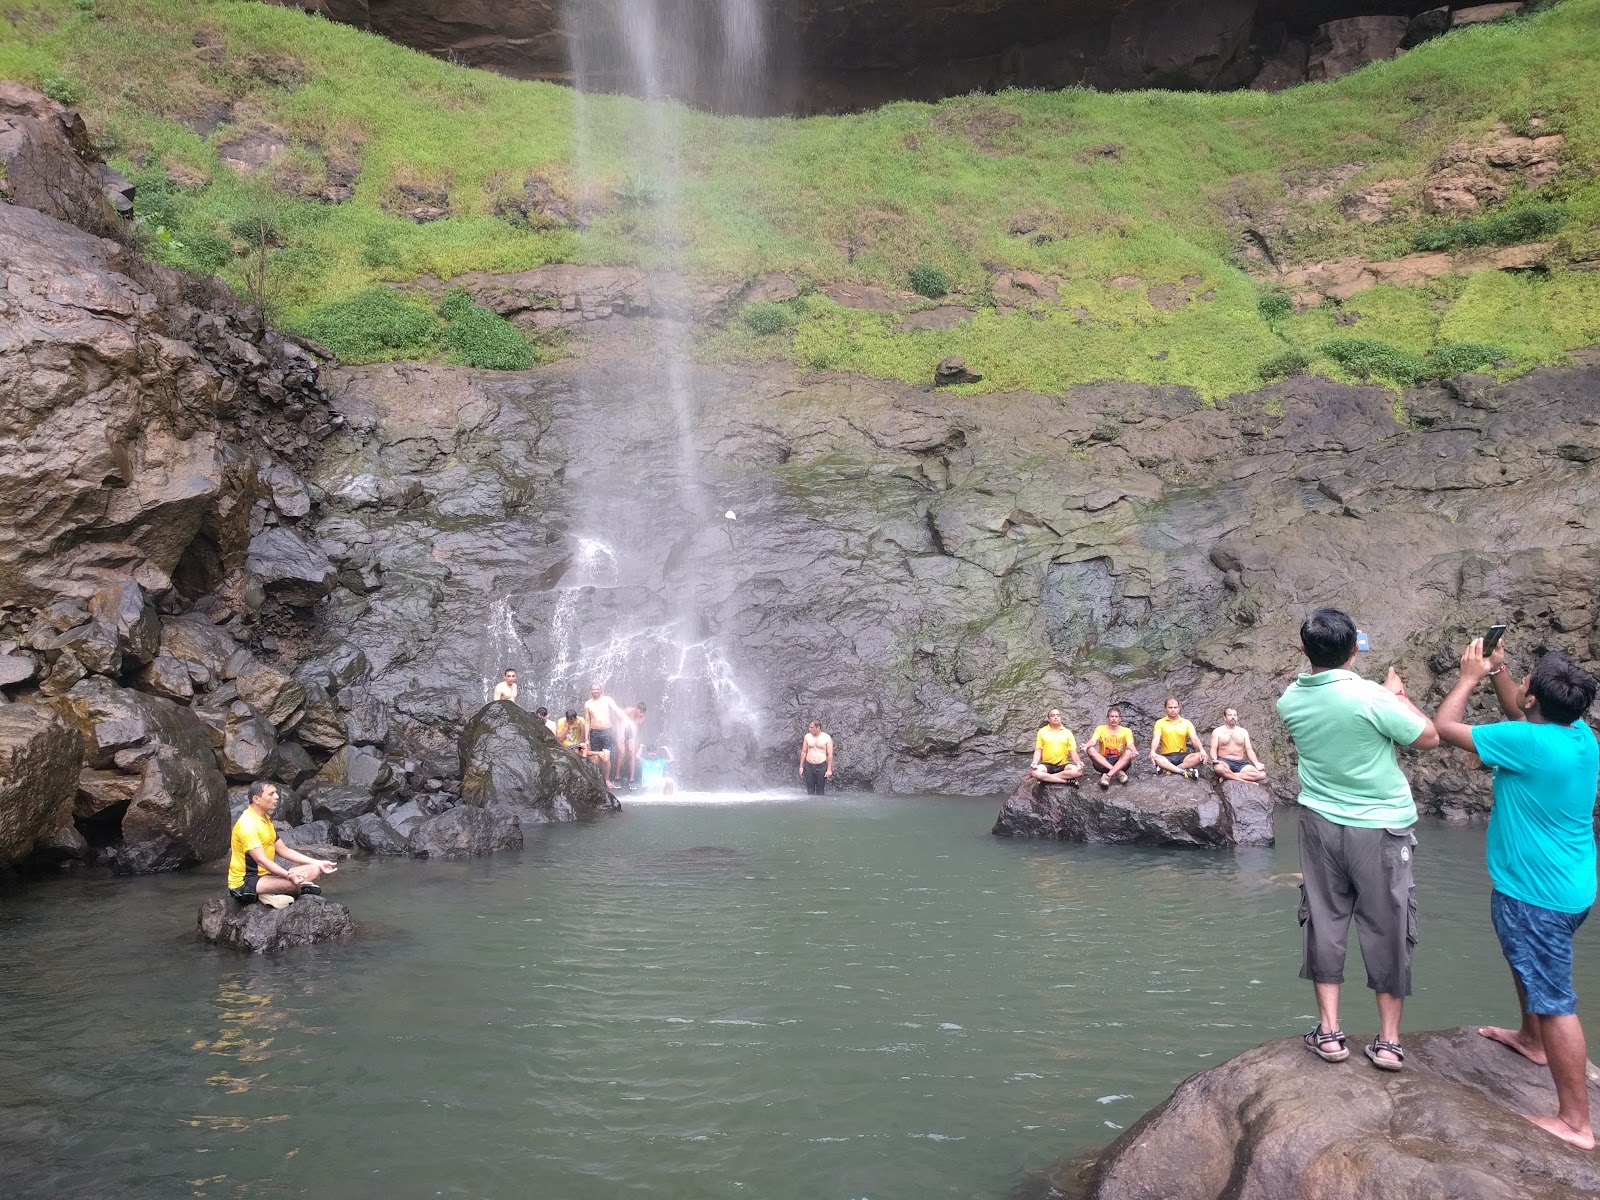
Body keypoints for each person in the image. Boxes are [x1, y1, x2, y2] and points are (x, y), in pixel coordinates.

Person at [1434, 636, 1600, 1149]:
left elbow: (1445, 727)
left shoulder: (1526, 742)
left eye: (1524, 682)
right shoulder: (1580, 735)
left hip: (1536, 895)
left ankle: (1576, 1123)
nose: (1520, 685)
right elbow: (1520, 712)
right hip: (1570, 885)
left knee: (1555, 1001)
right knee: (1527, 965)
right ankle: (1531, 1040)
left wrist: (1469, 677)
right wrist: (1500, 671)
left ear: (1534, 700)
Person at [1277, 607, 1439, 1071]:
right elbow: (1428, 737)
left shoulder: (1290, 700)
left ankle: (1329, 1033)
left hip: (1319, 825)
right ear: (1354, 649)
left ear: (1303, 649)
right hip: (1381, 829)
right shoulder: (1373, 696)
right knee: (1388, 924)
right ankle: (1388, 1042)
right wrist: (1399, 695)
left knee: (1324, 919)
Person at [228, 780, 337, 910]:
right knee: (293, 885)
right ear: (256, 799)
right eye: (271, 794)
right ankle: (278, 892)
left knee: (314, 869)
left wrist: (318, 862)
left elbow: (284, 850)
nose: (277, 797)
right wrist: (288, 875)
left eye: (276, 793)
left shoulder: (264, 820)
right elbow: (261, 860)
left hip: (266, 876)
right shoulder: (248, 825)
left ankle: (275, 891)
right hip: (245, 883)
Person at [1150, 697, 1208, 779]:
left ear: (1179, 708)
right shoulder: (1159, 723)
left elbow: (1194, 738)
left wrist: (1202, 750)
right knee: (1154, 757)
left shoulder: (1187, 723)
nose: (1173, 710)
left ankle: (1169, 769)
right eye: (1170, 707)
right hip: (1166, 756)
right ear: (1165, 708)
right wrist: (1153, 751)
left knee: (1200, 756)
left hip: (1182, 756)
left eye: (1175, 707)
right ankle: (1182, 771)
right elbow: (1156, 738)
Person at [585, 681, 630, 785]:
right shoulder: (588, 704)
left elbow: (617, 709)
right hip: (594, 733)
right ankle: (595, 780)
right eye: (594, 689)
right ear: (590, 691)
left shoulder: (607, 700)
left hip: (607, 733)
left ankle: (607, 779)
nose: (596, 691)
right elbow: (587, 721)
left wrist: (625, 718)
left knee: (606, 759)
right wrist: (586, 739)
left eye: (597, 689)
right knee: (596, 759)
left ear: (601, 690)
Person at [1211, 707, 1267, 783]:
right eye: (1230, 715)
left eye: (1235, 715)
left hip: (1240, 763)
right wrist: (1214, 759)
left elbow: (1249, 750)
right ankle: (1245, 781)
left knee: (1262, 774)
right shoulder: (1217, 731)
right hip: (1224, 761)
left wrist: (1256, 763)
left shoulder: (1243, 732)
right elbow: (1213, 749)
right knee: (1218, 768)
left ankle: (1228, 776)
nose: (1233, 717)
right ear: (1224, 718)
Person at [1086, 707, 1137, 787]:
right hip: (1103, 762)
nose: (1114, 719)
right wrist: (1086, 745)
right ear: (1107, 718)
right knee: (1090, 749)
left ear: (1120, 719)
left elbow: (1130, 744)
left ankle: (1107, 776)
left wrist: (1134, 751)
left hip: (1120, 762)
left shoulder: (1126, 731)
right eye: (1111, 716)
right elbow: (1093, 741)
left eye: (1116, 717)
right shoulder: (1100, 728)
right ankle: (1118, 772)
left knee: (1129, 752)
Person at [1030, 708, 1084, 784]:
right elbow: (1038, 750)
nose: (1056, 717)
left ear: (1061, 718)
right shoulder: (1042, 732)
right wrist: (1034, 762)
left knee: (1078, 771)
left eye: (1058, 715)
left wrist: (1078, 763)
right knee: (1035, 772)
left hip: (1063, 764)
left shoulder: (1068, 733)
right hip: (1046, 764)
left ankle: (1046, 778)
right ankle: (1066, 781)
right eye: (1053, 715)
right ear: (1048, 719)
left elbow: (1073, 752)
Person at [799, 720, 834, 795]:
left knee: (820, 790)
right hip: (809, 766)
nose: (809, 729)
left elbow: (830, 754)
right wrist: (801, 766)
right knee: (810, 790)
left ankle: (819, 802)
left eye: (811, 727)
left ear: (818, 728)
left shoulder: (826, 737)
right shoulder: (807, 736)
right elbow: (804, 752)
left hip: (821, 766)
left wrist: (829, 770)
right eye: (809, 727)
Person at [621, 702, 647, 788]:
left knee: (632, 753)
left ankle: (631, 779)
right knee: (621, 752)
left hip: (631, 734)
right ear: (636, 709)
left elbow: (638, 731)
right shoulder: (628, 711)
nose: (642, 714)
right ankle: (617, 777)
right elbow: (619, 719)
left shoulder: (641, 719)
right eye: (640, 712)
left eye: (643, 713)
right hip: (622, 731)